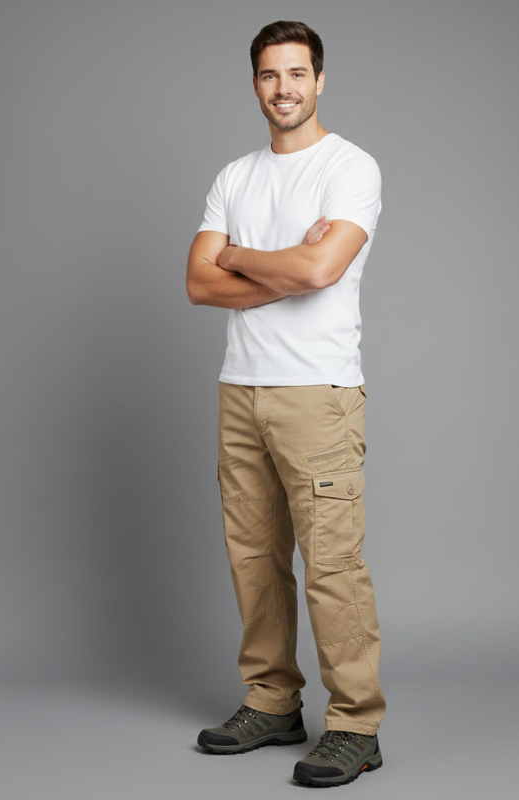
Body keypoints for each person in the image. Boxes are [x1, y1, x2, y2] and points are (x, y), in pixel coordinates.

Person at [186, 20, 385, 787]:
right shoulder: (234, 177)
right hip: (242, 389)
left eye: (297, 73)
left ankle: (356, 725)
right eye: (270, 75)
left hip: (319, 393)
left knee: (331, 564)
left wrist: (238, 254)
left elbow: (322, 268)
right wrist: (277, 262)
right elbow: (199, 283)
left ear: (320, 80)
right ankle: (272, 701)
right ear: (256, 85)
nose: (284, 88)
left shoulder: (350, 167)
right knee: (255, 560)